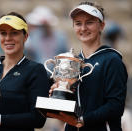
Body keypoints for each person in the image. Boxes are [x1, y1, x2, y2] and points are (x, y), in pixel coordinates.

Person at [48, 1, 128, 131]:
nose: (83, 28)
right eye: (78, 23)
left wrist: (82, 120)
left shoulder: (112, 60)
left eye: (89, 22)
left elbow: (115, 106)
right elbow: (77, 104)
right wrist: (59, 93)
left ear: (102, 26)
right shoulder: (73, 62)